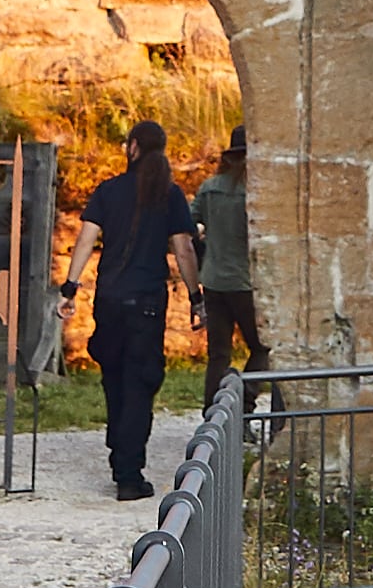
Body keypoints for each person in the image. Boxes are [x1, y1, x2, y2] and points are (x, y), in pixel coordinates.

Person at [75, 117, 194, 501]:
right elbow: (184, 249)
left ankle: (119, 454)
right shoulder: (170, 195)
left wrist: (69, 286)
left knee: (114, 377)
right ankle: (129, 471)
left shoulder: (108, 191)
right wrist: (197, 295)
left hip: (108, 299)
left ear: (133, 148)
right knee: (140, 382)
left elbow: (85, 239)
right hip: (146, 302)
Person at [190, 141, 263, 390]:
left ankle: (213, 414)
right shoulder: (256, 193)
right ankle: (246, 401)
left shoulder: (209, 188)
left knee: (219, 354)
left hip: (213, 280)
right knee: (262, 348)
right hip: (244, 282)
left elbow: (187, 226)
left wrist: (204, 249)